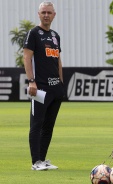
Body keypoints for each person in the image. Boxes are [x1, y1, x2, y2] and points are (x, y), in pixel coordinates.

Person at [23, 1, 64, 171]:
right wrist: (31, 81)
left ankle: (42, 159)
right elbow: (26, 57)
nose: (46, 15)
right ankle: (35, 162)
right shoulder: (33, 33)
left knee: (49, 125)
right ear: (38, 14)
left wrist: (61, 82)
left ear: (54, 15)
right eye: (43, 12)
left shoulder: (55, 35)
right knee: (37, 124)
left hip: (56, 88)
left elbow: (58, 60)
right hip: (40, 87)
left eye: (49, 12)